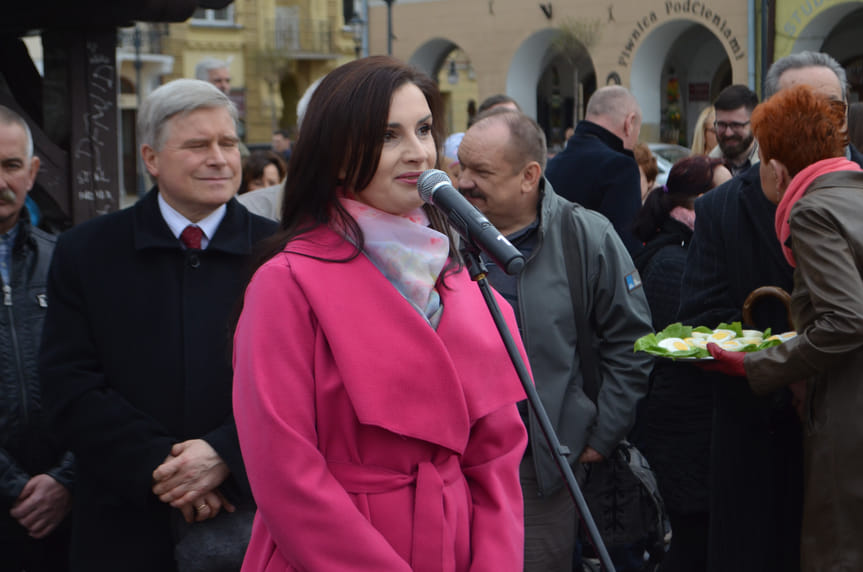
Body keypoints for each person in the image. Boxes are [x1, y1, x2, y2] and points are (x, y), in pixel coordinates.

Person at [232, 56, 528, 572]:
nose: (418, 153)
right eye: (389, 136)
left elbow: (497, 457)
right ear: (339, 156)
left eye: (423, 130)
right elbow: (285, 473)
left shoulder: (460, 277)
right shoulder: (284, 285)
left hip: (455, 547)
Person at [38, 79, 278, 571]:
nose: (220, 158)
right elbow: (69, 386)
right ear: (151, 158)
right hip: (121, 524)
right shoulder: (86, 252)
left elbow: (304, 383)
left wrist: (223, 455)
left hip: (252, 518)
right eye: (197, 145)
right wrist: (163, 469)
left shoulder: (280, 252)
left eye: (228, 143)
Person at [677, 50, 863, 572]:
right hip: (759, 444)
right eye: (798, 107)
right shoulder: (721, 208)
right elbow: (699, 318)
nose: (818, 123)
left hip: (844, 443)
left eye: (830, 109)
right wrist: (780, 364)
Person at [457, 107, 653, 571]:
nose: (463, 182)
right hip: (451, 467)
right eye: (460, 166)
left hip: (541, 472)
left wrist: (602, 433)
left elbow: (632, 341)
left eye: (481, 171)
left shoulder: (584, 235)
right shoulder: (437, 233)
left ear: (529, 176)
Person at [630, 155, 728, 572]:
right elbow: (677, 348)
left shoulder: (689, 246)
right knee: (688, 548)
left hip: (688, 429)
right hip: (681, 433)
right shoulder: (675, 260)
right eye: (727, 190)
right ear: (702, 202)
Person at [0, 105, 74, 572]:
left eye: (9, 166)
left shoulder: (68, 263)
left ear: (32, 172)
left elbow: (108, 376)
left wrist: (67, 479)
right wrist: (14, 487)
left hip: (68, 508)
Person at [546, 86, 644, 255]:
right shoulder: (620, 167)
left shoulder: (553, 164)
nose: (635, 143)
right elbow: (625, 250)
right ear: (629, 123)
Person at [708, 85, 760, 175]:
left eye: (736, 125)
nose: (728, 133)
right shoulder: (707, 170)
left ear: (754, 123)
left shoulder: (771, 169)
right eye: (722, 125)